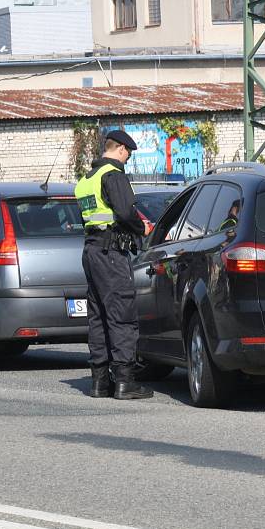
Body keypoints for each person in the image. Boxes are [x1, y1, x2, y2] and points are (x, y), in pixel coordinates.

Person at [75, 130, 153, 400]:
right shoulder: (113, 174)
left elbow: (94, 216)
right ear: (119, 149)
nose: (127, 160)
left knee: (98, 317)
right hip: (111, 254)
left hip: (91, 251)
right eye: (127, 154)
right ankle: (124, 382)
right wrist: (141, 227)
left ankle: (99, 382)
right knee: (121, 315)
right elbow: (123, 212)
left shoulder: (86, 180)